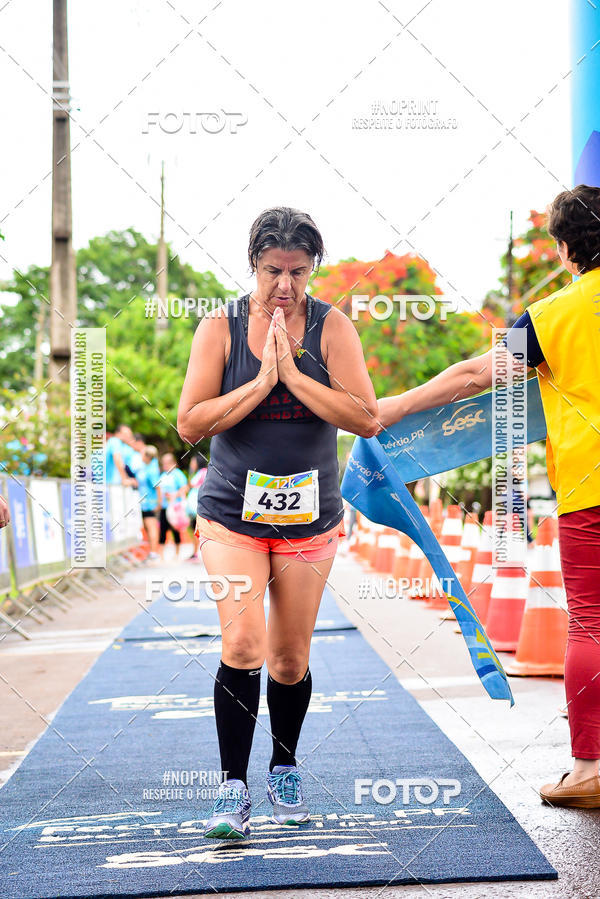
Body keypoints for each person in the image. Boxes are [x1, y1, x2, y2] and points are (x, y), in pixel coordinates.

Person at [374, 184, 600, 809]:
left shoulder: (557, 315)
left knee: (591, 624)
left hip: (591, 488)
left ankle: (589, 770)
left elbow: (479, 374)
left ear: (562, 250)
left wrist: (395, 406)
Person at [177, 206, 378, 840]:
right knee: (243, 646)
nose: (284, 286)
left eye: (297, 271)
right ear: (252, 266)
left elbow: (363, 416)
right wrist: (263, 380)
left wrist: (293, 373)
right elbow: (190, 423)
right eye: (272, 271)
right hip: (232, 515)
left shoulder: (332, 327)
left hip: (310, 520)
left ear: (314, 268)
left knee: (289, 659)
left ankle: (283, 768)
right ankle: (232, 785)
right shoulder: (221, 328)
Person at [156, 452, 188, 562]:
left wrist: (175, 494)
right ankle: (161, 556)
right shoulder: (163, 475)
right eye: (163, 463)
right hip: (165, 506)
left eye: (166, 463)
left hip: (175, 507)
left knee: (176, 530)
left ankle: (177, 554)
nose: (165, 466)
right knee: (163, 530)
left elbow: (184, 488)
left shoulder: (178, 474)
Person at [137, 445, 161, 560]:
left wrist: (159, 503)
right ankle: (151, 551)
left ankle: (154, 552)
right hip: (144, 503)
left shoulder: (151, 470)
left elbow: (158, 487)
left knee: (151, 527)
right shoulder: (147, 467)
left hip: (150, 503)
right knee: (147, 527)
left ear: (147, 456)